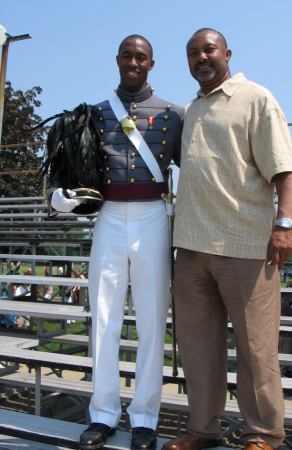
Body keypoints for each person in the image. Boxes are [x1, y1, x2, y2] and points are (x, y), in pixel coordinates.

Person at [163, 28, 292, 450]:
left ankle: (263, 435)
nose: (201, 57)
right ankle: (203, 430)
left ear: (227, 53)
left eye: (209, 50)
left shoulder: (256, 98)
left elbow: (285, 170)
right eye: (192, 53)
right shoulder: (190, 110)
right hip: (191, 250)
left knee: (257, 350)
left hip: (245, 245)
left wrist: (284, 225)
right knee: (198, 349)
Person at [47, 35, 183, 450]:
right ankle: (103, 413)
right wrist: (57, 193)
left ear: (152, 63)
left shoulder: (175, 115)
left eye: (141, 57)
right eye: (127, 55)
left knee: (151, 321)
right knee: (103, 318)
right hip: (108, 217)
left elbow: (194, 168)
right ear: (118, 60)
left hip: (152, 217)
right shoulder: (93, 114)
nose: (134, 62)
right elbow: (68, 160)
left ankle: (145, 417)